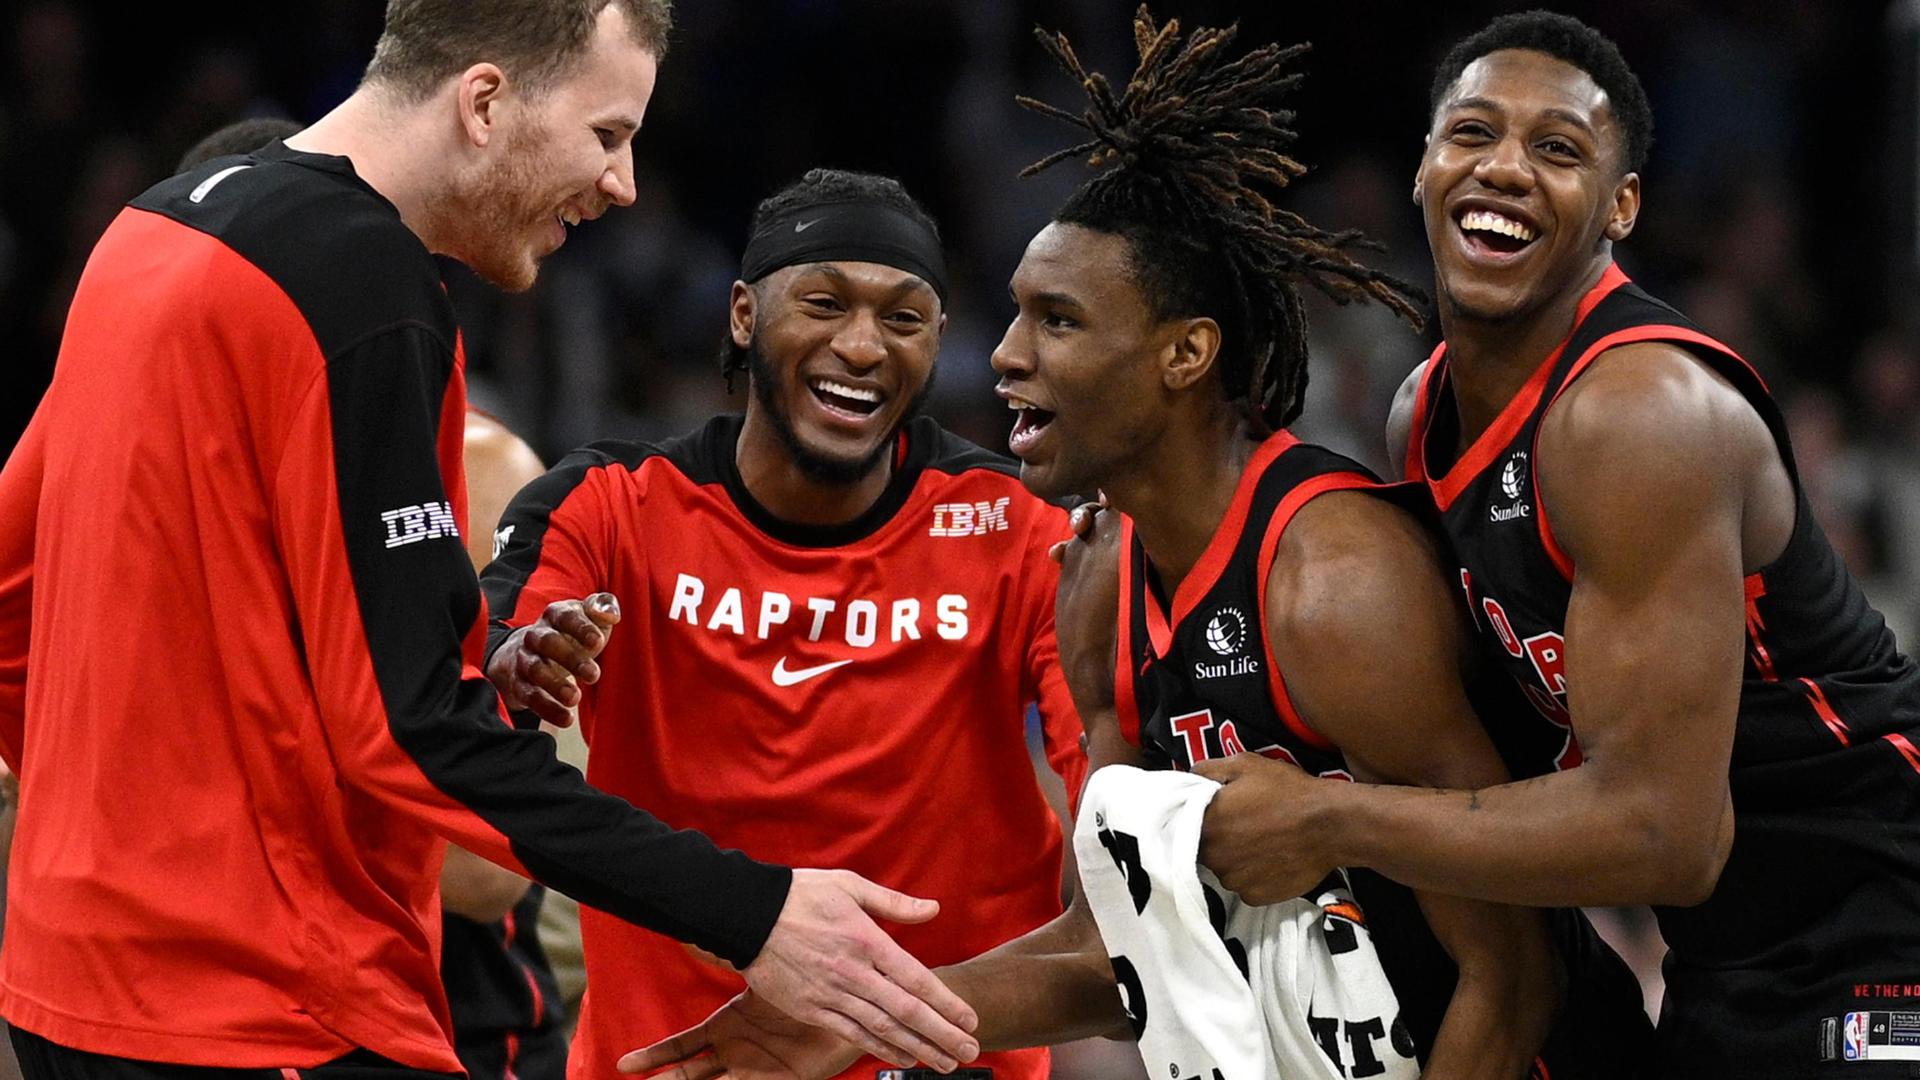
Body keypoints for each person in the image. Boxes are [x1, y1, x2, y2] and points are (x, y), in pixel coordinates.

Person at [622, 11, 1652, 1079]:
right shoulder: (1095, 578)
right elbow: (1112, 954)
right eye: (1016, 315)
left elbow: (1515, 978)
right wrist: (849, 1024)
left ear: (1185, 354)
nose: (1007, 357)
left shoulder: (1332, 585)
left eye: (1058, 322)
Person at [0, 1, 982, 1075]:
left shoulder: (155, 226)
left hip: (64, 992)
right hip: (267, 1008)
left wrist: (120, 838)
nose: (625, 184)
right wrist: (755, 911)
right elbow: (411, 732)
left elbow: (16, 598)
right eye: (608, 134)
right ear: (483, 103)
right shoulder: (362, 283)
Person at [1137, 11, 1920, 1078]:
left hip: (1880, 925)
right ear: (1422, 168)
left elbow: (1664, 838)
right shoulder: (1425, 414)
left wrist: (1327, 818)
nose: (1504, 169)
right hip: (1733, 956)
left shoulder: (1639, 415)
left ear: (1622, 205)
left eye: (1557, 149)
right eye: (1471, 134)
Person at [480, 167, 1087, 1080]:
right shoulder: (607, 505)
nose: (862, 345)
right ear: (742, 316)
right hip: (669, 1065)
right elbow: (479, 683)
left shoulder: (1021, 525)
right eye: (823, 302)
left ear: (938, 345)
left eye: (902, 318)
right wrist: (519, 665)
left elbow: (1121, 803)